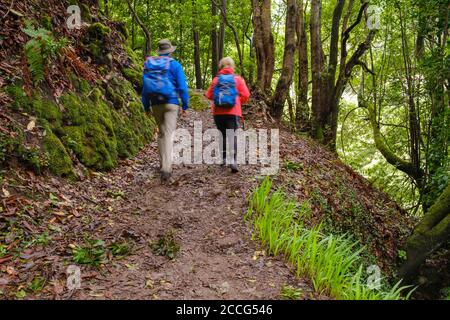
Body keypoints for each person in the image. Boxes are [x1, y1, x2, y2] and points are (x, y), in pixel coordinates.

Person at [142, 39, 189, 182]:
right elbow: (182, 87)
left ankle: (162, 163)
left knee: (161, 133)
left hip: (155, 103)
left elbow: (144, 88)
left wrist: (146, 106)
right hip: (171, 103)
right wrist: (185, 105)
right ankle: (167, 168)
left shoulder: (149, 65)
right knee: (168, 134)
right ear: (170, 51)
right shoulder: (175, 65)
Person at [205, 57, 250, 173]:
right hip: (233, 112)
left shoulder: (216, 80)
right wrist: (239, 101)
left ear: (221, 66)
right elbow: (246, 95)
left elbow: (209, 95)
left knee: (222, 134)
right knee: (232, 135)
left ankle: (224, 159)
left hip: (218, 112)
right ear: (232, 66)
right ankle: (233, 161)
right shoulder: (237, 79)